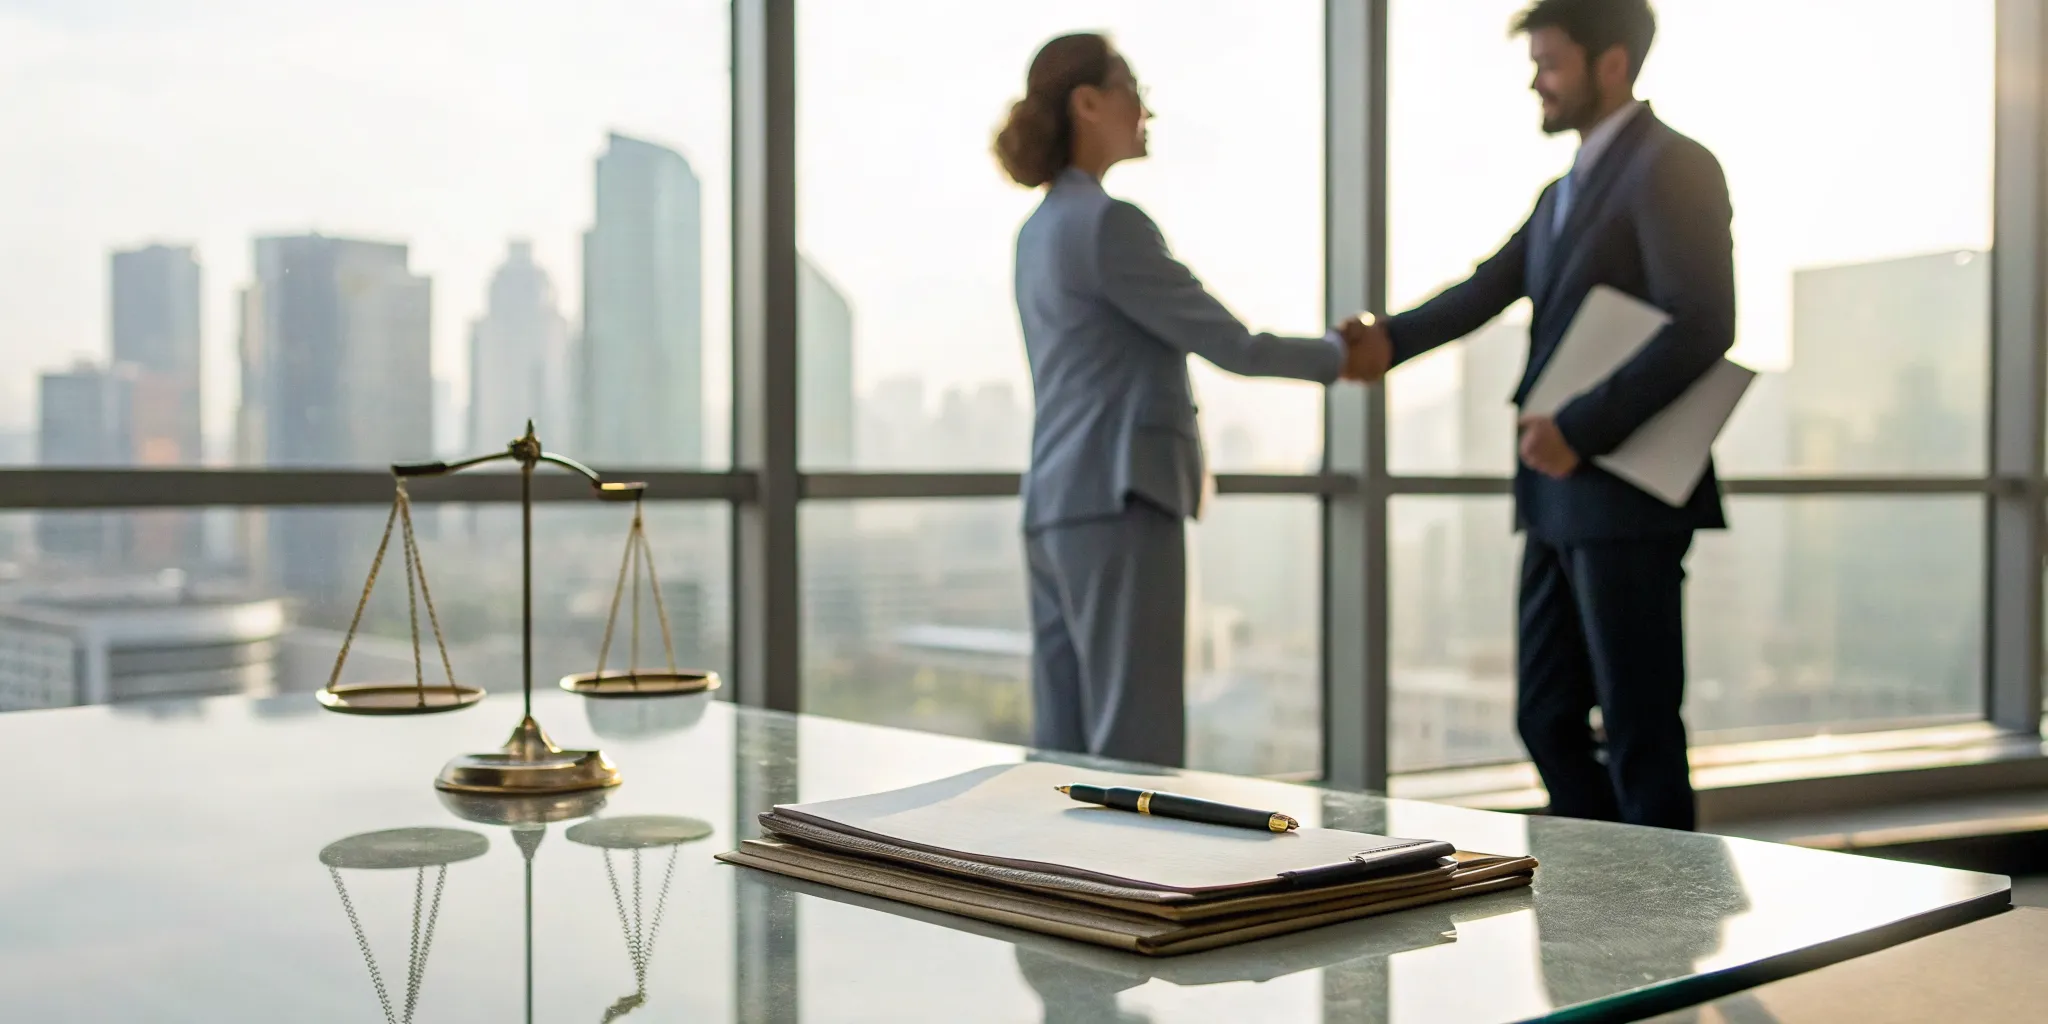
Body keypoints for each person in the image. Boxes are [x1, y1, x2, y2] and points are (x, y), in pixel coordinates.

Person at [1353, 0, 1733, 830]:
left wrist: (1580, 428)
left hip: (1625, 493)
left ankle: (1663, 921)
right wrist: (1387, 343)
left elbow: (1704, 320)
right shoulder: (1564, 191)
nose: (1536, 80)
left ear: (1611, 65)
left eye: (1551, 63)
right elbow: (1488, 286)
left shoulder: (1674, 166)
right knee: (1547, 718)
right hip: (1556, 494)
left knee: (1638, 731)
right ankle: (1609, 890)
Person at [995, 32, 1383, 768]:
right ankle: (1133, 884)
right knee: (1132, 751)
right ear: (1087, 102)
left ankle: (1060, 885)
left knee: (1061, 754)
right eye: (1130, 87)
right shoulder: (1110, 224)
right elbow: (1233, 344)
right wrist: (1340, 356)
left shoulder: (1035, 231)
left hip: (1052, 507)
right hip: (1119, 500)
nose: (1147, 108)